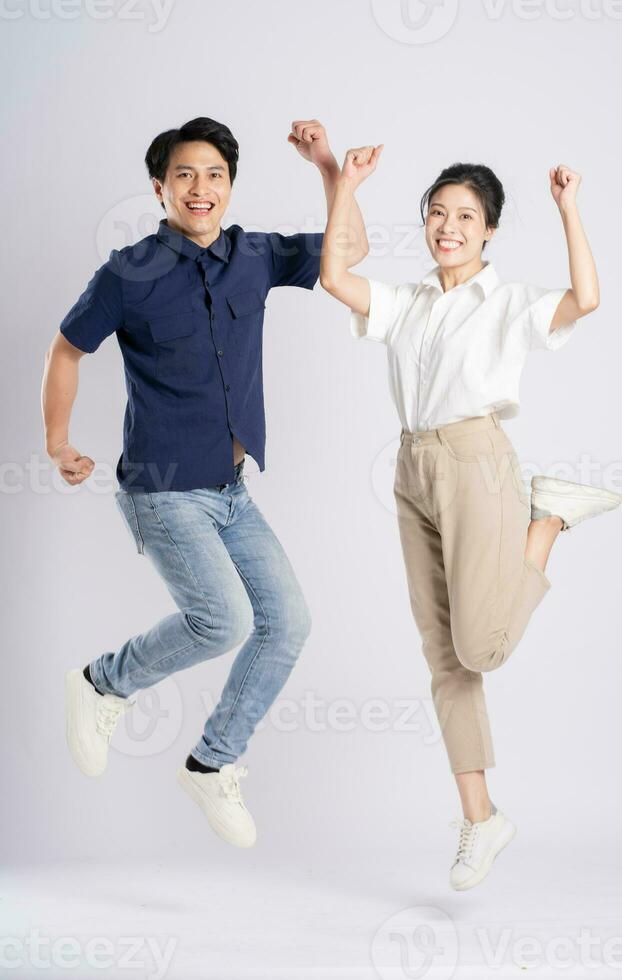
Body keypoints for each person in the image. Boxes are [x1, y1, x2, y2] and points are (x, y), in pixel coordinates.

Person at [41, 117, 368, 848]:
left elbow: (348, 253)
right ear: (160, 188)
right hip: (161, 487)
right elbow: (66, 348)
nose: (201, 187)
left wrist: (329, 170)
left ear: (230, 187)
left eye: (214, 174)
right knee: (221, 620)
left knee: (289, 624)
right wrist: (57, 441)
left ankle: (212, 761)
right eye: (185, 174)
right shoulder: (126, 272)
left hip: (231, 489)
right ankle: (101, 683)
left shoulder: (252, 256)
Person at [320, 148, 621, 890]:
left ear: (488, 232)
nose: (448, 227)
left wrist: (570, 208)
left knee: (480, 648)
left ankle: (546, 519)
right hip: (412, 466)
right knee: (444, 657)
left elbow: (586, 298)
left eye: (466, 218)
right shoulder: (410, 301)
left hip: (476, 459)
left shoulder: (506, 301)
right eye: (437, 212)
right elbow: (334, 279)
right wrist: (342, 180)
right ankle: (480, 819)